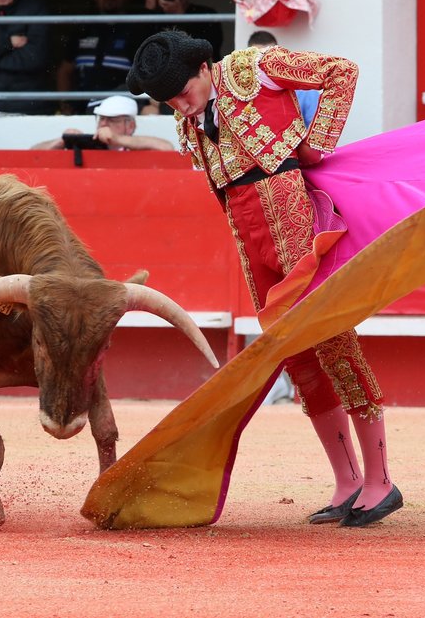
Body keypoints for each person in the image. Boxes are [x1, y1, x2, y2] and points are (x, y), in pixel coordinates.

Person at [126, 30, 402, 527]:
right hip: (249, 232)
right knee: (294, 352)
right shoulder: (188, 117)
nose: (182, 107)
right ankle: (347, 481)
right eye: (171, 102)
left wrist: (315, 146)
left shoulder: (253, 68)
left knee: (330, 335)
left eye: (184, 93)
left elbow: (342, 72)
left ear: (204, 68)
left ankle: (381, 480)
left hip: (293, 216)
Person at [56, 0, 148, 114]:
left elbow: (146, 76)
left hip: (119, 111)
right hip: (80, 110)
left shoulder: (138, 30)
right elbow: (65, 71)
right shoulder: (83, 28)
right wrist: (65, 103)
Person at [30, 95, 174, 151]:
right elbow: (32, 154)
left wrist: (117, 139)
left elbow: (166, 148)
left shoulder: (136, 149)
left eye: (112, 119)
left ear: (130, 126)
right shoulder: (88, 145)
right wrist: (61, 141)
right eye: (102, 119)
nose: (104, 124)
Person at [144, 0, 223, 57]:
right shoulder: (151, 18)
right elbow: (135, 53)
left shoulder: (206, 15)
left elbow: (206, 53)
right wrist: (148, 12)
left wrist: (180, 16)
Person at [247, 30, 318, 129]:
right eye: (257, 57)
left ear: (278, 55)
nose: (262, 62)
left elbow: (314, 129)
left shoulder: (303, 88)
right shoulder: (240, 89)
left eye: (267, 56)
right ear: (248, 57)